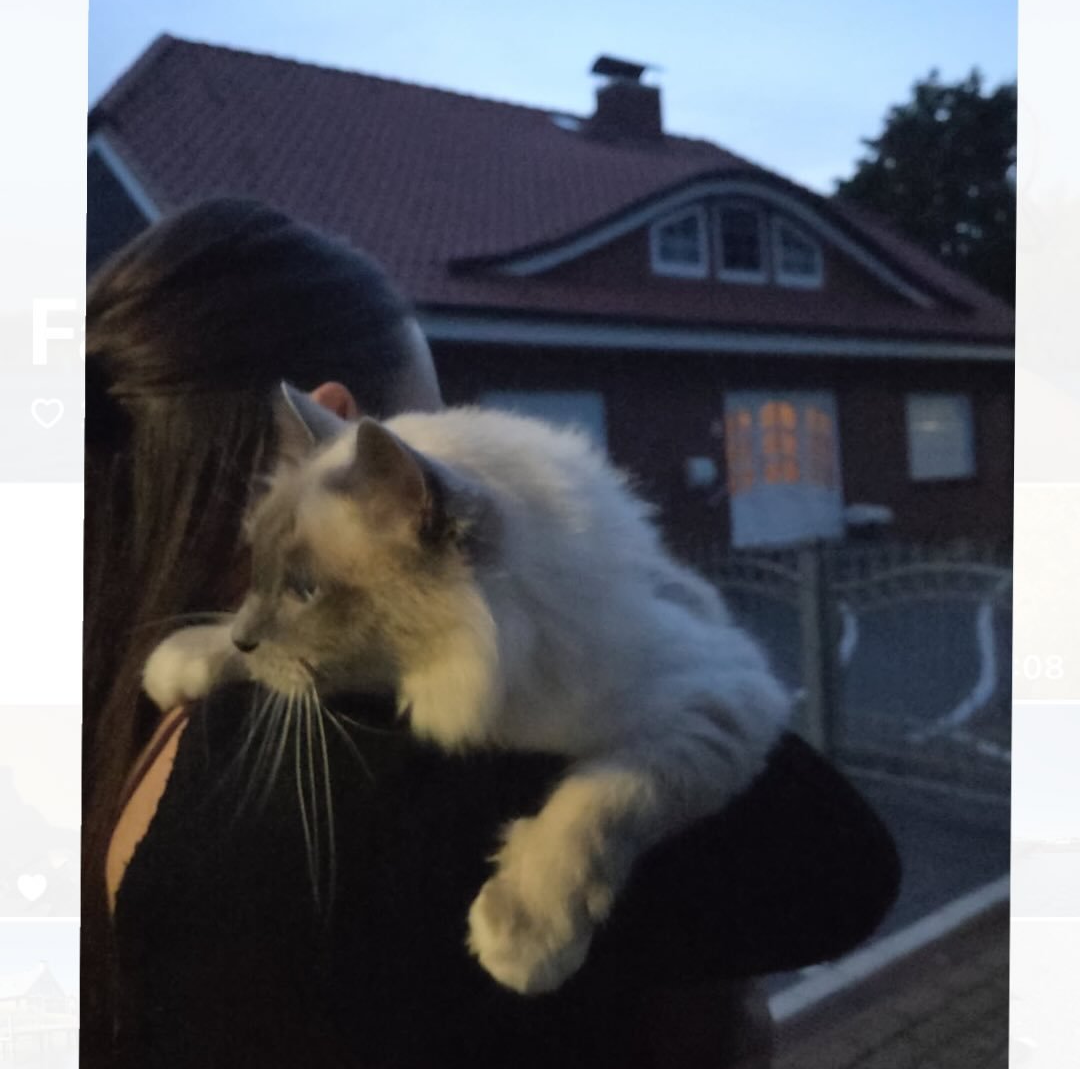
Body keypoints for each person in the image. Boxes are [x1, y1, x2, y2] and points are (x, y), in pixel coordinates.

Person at [82, 198, 900, 1068]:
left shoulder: (123, 714)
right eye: (432, 403)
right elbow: (848, 872)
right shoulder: (441, 787)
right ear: (345, 426)